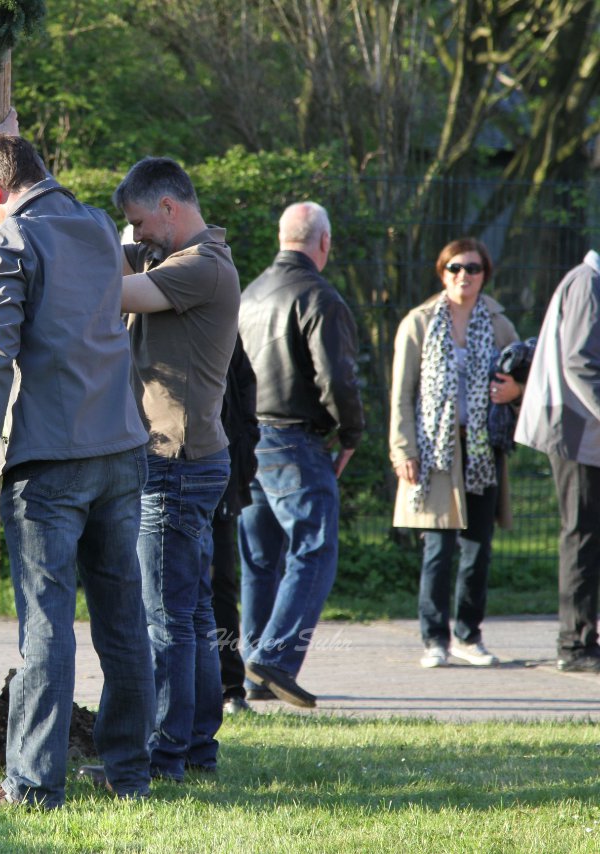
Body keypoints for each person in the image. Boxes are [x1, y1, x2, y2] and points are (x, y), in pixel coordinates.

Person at [0, 124, 155, 809]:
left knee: (47, 626)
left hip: (49, 460)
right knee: (123, 617)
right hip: (122, 447)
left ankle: (33, 786)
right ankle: (129, 772)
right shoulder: (99, 226)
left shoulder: (7, 241)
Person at [105, 156, 238, 782]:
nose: (134, 237)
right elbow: (118, 261)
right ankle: (195, 750)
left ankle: (165, 756)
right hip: (192, 460)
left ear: (168, 208)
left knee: (166, 619)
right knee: (191, 615)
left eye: (138, 223)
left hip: (174, 465)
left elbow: (113, 289)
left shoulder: (201, 268)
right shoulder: (178, 257)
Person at [237, 201, 364, 709]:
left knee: (259, 559)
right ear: (324, 242)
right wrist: (351, 433)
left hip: (247, 437)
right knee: (314, 549)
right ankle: (274, 658)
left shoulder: (249, 293)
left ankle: (253, 673)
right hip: (294, 440)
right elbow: (337, 378)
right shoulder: (320, 297)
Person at [389, 239, 521, 669]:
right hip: (434, 452)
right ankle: (434, 639)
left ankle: (468, 634)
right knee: (438, 548)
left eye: (474, 268)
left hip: (482, 448)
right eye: (455, 268)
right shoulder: (419, 322)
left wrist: (513, 390)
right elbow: (401, 394)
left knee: (478, 548)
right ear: (442, 273)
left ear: (486, 274)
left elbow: (524, 373)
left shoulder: (499, 323)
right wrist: (403, 448)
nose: (464, 276)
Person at [516, 249, 600, 673]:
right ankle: (576, 646)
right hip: (576, 431)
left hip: (584, 430)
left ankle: (583, 638)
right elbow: (580, 362)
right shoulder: (589, 282)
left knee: (587, 533)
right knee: (581, 533)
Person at [211, 338, 259, 715]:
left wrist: (245, 442)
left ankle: (230, 685)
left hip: (216, 460)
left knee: (219, 579)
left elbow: (243, 382)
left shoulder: (213, 286)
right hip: (158, 459)